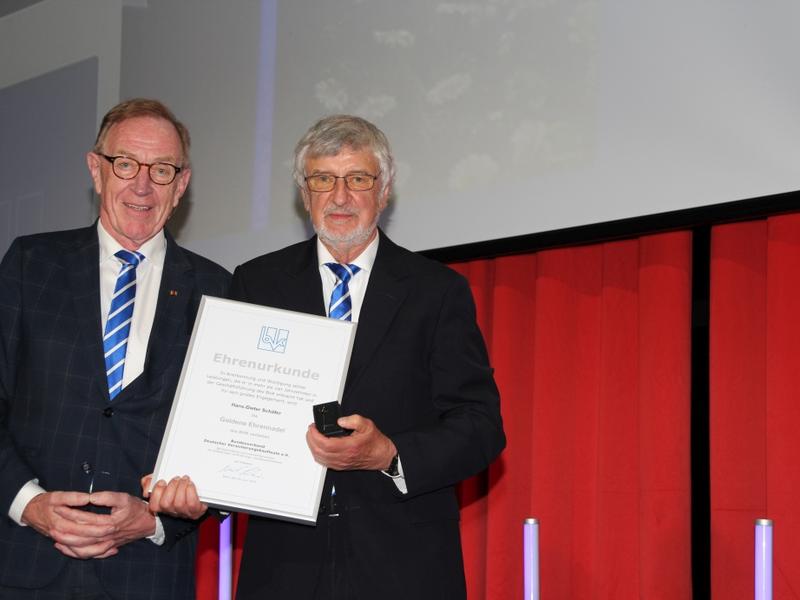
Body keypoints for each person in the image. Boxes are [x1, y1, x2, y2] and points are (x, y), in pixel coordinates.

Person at [230, 114, 505, 599]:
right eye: (322, 179)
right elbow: (231, 407)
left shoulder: (436, 291)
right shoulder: (256, 284)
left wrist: (390, 453)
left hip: (405, 563)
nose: (339, 197)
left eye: (357, 179)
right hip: (284, 564)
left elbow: (481, 427)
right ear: (304, 192)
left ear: (384, 191)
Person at [0, 98, 231, 599]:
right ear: (96, 169)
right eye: (125, 164)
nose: (142, 185)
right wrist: (28, 503)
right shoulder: (29, 265)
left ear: (182, 184)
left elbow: (224, 445)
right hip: (24, 567)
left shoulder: (219, 292)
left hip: (148, 575)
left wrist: (155, 519)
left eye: (162, 169)